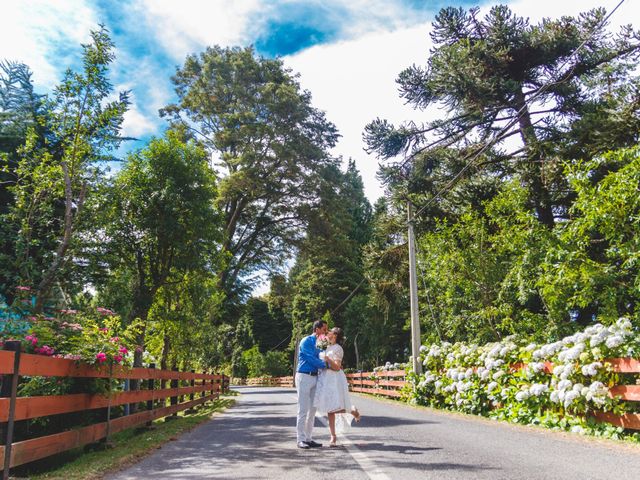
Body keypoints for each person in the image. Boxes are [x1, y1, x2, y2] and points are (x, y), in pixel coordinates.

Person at [314, 327, 361, 447]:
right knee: (330, 409)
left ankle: (353, 411)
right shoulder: (327, 346)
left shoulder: (338, 348)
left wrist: (327, 359)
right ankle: (333, 435)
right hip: (326, 379)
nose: (328, 332)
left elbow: (337, 367)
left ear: (335, 335)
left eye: (330, 331)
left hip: (335, 379)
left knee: (336, 406)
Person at [295, 320, 336, 449]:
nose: (326, 331)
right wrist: (326, 365)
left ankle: (308, 438)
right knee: (303, 409)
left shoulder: (320, 343)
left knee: (313, 410)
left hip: (315, 377)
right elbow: (310, 359)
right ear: (317, 329)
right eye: (324, 329)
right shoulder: (306, 341)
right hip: (304, 376)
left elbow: (321, 356)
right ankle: (300, 439)